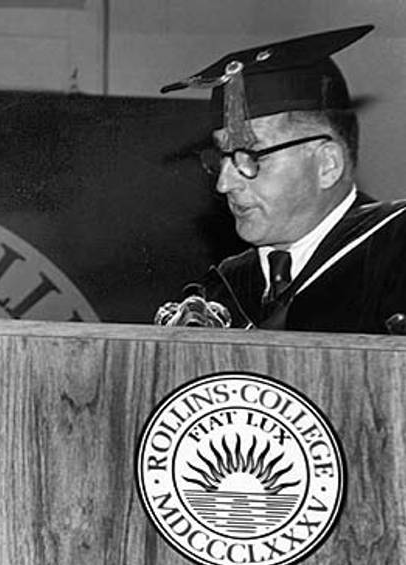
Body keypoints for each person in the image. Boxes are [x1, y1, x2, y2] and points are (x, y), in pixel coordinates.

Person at [161, 24, 406, 333]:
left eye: (252, 156)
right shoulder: (225, 290)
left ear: (327, 164)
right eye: (221, 157)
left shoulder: (394, 256)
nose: (224, 184)